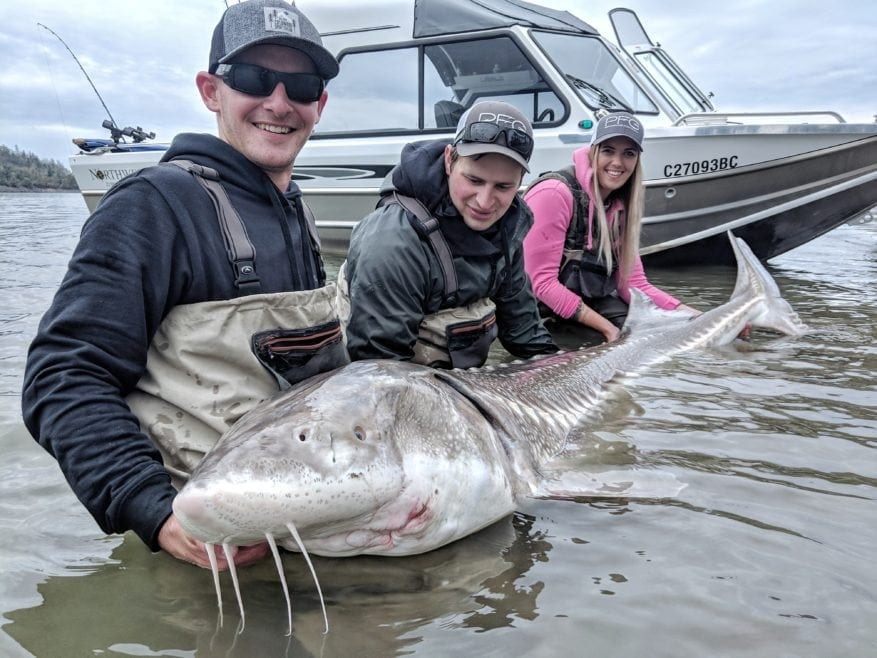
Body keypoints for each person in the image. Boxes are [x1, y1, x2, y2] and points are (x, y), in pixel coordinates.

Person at [21, 0, 347, 569]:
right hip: (210, 549)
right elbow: (63, 374)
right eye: (253, 78)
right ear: (210, 90)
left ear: (319, 104)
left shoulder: (301, 213)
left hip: (313, 526)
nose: (278, 102)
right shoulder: (150, 207)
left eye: (300, 85)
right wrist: (157, 513)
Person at [340, 100, 558, 369]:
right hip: (387, 373)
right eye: (474, 180)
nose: (485, 201)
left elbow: (526, 337)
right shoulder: (392, 243)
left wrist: (560, 370)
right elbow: (380, 370)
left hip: (455, 380)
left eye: (503, 186)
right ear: (448, 160)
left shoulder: (508, 227)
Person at [522, 111, 698, 346]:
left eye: (628, 153)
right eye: (608, 151)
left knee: (656, 330)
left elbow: (633, 284)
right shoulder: (554, 193)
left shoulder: (619, 207)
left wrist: (695, 317)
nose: (617, 162)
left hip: (580, 304)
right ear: (593, 151)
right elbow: (541, 283)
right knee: (620, 339)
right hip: (532, 309)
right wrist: (609, 331)